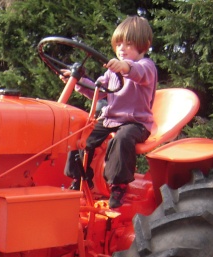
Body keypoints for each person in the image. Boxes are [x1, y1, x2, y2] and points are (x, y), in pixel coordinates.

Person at [65, 16, 157, 209]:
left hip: (136, 123)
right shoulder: (110, 73)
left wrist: (123, 67)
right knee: (82, 135)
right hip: (110, 119)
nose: (122, 49)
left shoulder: (147, 67)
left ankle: (119, 185)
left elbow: (136, 72)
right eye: (119, 44)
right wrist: (77, 82)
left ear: (144, 45)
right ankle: (81, 178)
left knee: (122, 138)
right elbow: (97, 92)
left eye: (129, 44)